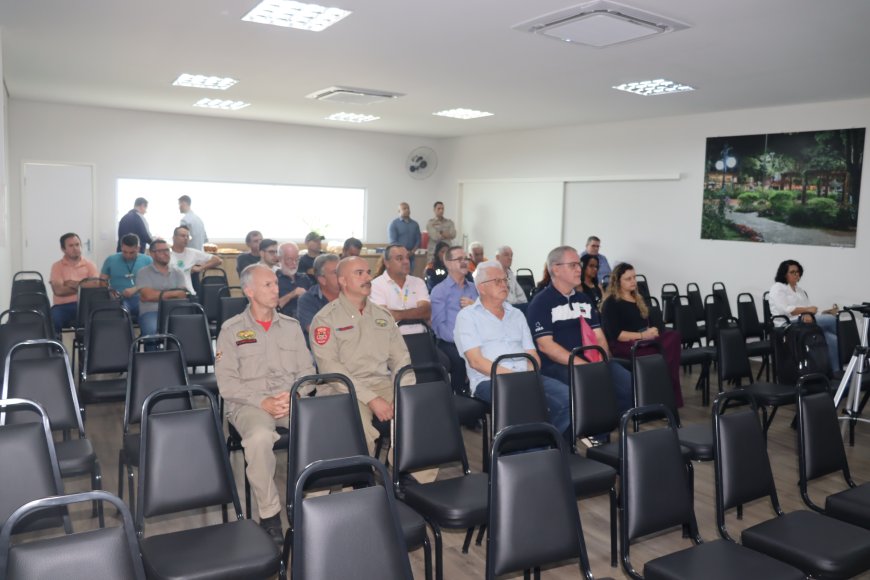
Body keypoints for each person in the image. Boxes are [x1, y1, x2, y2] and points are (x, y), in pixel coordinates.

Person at [215, 264, 315, 546]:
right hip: (249, 404)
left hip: (289, 399)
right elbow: (227, 385)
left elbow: (308, 372)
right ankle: (270, 514)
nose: (276, 290)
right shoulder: (232, 330)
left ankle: (314, 503)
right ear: (249, 291)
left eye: (275, 283)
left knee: (319, 428)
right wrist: (263, 401)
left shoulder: (291, 327)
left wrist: (293, 394)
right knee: (259, 438)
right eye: (268, 285)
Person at [455, 260, 571, 437]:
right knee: (523, 404)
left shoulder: (516, 314)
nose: (504, 285)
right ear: (481, 287)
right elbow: (476, 362)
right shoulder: (467, 317)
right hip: (490, 380)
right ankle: (523, 455)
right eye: (497, 281)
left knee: (568, 399)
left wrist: (529, 376)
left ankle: (545, 447)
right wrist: (516, 379)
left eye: (505, 280)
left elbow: (532, 354)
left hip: (526, 376)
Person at [310, 256, 413, 453]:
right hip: (344, 388)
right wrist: (372, 399)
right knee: (359, 429)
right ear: (342, 280)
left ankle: (409, 477)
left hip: (382, 383)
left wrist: (403, 393)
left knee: (415, 415)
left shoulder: (383, 316)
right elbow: (330, 368)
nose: (367, 278)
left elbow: (401, 358)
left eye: (368, 272)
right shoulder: (325, 319)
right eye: (359, 273)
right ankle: (360, 481)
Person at [526, 246, 633, 414]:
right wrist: (584, 366)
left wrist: (602, 360)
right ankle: (593, 431)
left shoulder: (583, 299)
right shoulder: (541, 303)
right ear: (556, 269)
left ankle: (607, 424)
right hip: (558, 365)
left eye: (579, 265)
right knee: (592, 385)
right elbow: (546, 346)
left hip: (590, 361)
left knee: (628, 385)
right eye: (573, 265)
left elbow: (599, 336)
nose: (579, 269)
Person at [600, 262, 683, 407]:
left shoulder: (637, 298)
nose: (633, 281)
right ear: (617, 281)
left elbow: (644, 326)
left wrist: (652, 331)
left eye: (634, 277)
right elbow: (617, 335)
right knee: (658, 354)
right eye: (628, 279)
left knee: (673, 336)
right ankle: (659, 396)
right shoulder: (611, 303)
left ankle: (666, 390)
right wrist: (644, 335)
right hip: (624, 345)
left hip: (643, 340)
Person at [769, 259, 839, 373]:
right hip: (787, 324)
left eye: (798, 272)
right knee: (833, 321)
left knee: (832, 338)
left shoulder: (800, 290)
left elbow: (809, 310)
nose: (796, 275)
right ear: (784, 274)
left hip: (803, 322)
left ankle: (836, 372)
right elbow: (786, 310)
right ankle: (857, 348)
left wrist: (825, 311)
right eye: (792, 272)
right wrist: (807, 311)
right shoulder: (778, 287)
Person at [430, 245, 479, 394]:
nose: (464, 262)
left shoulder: (474, 288)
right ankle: (461, 398)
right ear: (448, 263)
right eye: (459, 259)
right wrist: (462, 340)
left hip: (477, 339)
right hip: (450, 342)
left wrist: (475, 306)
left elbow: (486, 316)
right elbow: (440, 327)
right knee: (460, 360)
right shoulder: (440, 290)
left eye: (466, 258)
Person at [370, 244, 430, 335]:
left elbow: (426, 312)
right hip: (390, 340)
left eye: (407, 257)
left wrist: (397, 315)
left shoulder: (418, 282)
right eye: (399, 258)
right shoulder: (376, 285)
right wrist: (416, 312)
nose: (406, 262)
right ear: (387, 263)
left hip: (420, 338)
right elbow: (383, 317)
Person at [49, 232, 100, 333]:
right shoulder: (57, 266)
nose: (75, 248)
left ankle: (91, 347)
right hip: (63, 307)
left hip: (86, 305)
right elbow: (59, 291)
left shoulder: (89, 265)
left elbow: (95, 285)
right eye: (71, 246)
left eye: (77, 245)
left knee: (99, 317)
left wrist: (72, 283)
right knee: (53, 317)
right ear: (63, 249)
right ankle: (56, 347)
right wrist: (83, 286)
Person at [135, 239, 187, 337]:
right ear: (152, 254)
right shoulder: (143, 272)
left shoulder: (178, 272)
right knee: (152, 331)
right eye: (161, 251)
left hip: (174, 311)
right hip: (151, 312)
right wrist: (173, 293)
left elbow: (182, 295)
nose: (166, 254)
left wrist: (157, 295)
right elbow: (148, 296)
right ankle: (152, 353)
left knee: (187, 329)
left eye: (167, 250)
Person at [100, 233, 153, 318]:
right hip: (118, 299)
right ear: (121, 247)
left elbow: (154, 281)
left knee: (148, 314)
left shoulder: (148, 260)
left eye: (132, 252)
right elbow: (102, 282)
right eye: (125, 252)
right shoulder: (111, 260)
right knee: (119, 315)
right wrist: (110, 292)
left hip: (141, 299)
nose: (128, 255)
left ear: (138, 248)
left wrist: (136, 289)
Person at [296, 253, 340, 337]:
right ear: (322, 279)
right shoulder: (307, 300)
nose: (342, 275)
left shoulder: (351, 295)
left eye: (342, 271)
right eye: (335, 272)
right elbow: (318, 334)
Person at [169, 225, 221, 295]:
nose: (186, 238)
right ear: (174, 237)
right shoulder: (166, 254)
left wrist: (200, 268)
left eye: (187, 236)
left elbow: (217, 260)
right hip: (170, 293)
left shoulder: (192, 253)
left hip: (189, 293)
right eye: (183, 236)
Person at [276, 242, 311, 318]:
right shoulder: (273, 280)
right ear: (279, 259)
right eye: (289, 259)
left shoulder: (304, 278)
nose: (294, 263)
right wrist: (292, 294)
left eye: (297, 259)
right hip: (283, 323)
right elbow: (272, 309)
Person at [387, 202, 421, 269]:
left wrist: (412, 251)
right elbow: (393, 242)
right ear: (399, 211)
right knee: (399, 274)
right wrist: (404, 252)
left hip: (411, 255)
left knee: (410, 276)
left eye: (408, 208)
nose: (407, 210)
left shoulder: (415, 224)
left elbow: (418, 239)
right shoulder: (393, 224)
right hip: (398, 255)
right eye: (404, 208)